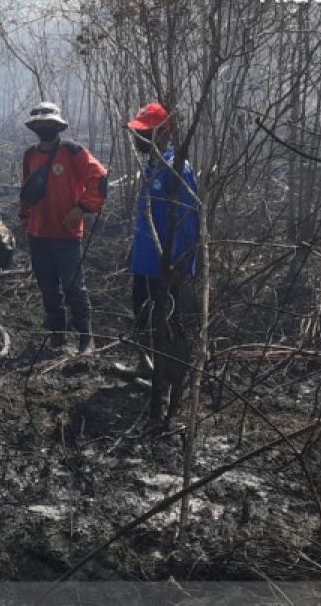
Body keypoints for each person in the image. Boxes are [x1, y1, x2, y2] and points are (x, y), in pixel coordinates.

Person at [127, 102, 200, 424]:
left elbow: (187, 221)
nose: (139, 139)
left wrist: (180, 266)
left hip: (166, 267)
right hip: (144, 262)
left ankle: (169, 386)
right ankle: (147, 365)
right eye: (138, 133)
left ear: (163, 134)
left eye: (145, 133)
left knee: (169, 325)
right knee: (142, 314)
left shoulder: (177, 170)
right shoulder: (152, 167)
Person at [18, 102, 109, 355]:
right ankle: (57, 337)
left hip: (66, 235)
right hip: (38, 234)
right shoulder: (30, 155)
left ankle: (85, 338)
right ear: (34, 127)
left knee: (73, 287)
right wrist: (25, 219)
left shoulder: (72, 152)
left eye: (49, 124)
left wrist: (82, 208)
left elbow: (99, 178)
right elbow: (27, 192)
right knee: (48, 287)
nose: (44, 128)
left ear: (58, 126)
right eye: (40, 125)